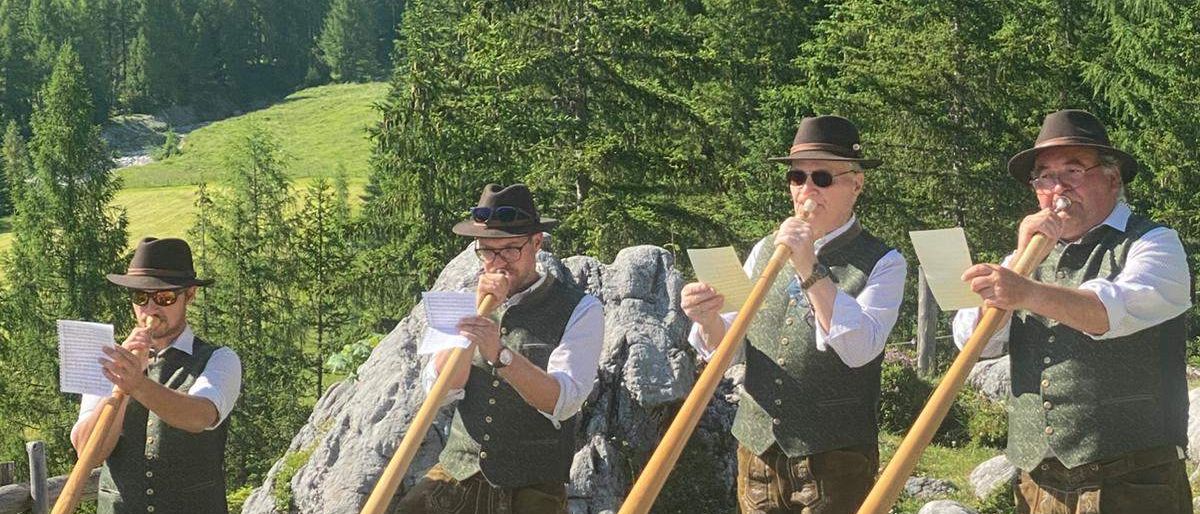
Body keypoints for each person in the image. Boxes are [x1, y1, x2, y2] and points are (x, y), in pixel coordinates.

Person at [954, 109, 1193, 513]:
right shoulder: (1022, 258)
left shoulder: (1154, 243)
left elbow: (1106, 312)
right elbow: (973, 342)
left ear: (1112, 179)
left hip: (1132, 485)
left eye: (1073, 170)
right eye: (1044, 176)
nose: (1057, 188)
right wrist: (1018, 269)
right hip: (1039, 485)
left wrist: (1024, 290)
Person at [681, 116, 906, 513]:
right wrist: (707, 318)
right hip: (758, 452)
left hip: (835, 460)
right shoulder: (765, 250)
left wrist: (809, 267)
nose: (806, 191)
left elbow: (859, 350)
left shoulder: (884, 261)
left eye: (822, 177)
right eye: (796, 177)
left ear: (856, 184)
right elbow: (730, 349)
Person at [394, 183, 605, 514]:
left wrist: (500, 354)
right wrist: (473, 323)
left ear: (537, 243)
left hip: (533, 485)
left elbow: (562, 402)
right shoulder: (462, 301)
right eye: (488, 252)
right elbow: (441, 389)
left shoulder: (581, 309)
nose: (498, 263)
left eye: (510, 250)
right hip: (461, 471)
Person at [72, 237, 242, 514]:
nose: (151, 309)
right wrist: (121, 386)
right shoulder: (106, 361)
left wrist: (137, 383)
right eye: (141, 298)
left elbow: (199, 416)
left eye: (164, 298)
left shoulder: (221, 359)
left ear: (189, 295)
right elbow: (89, 453)